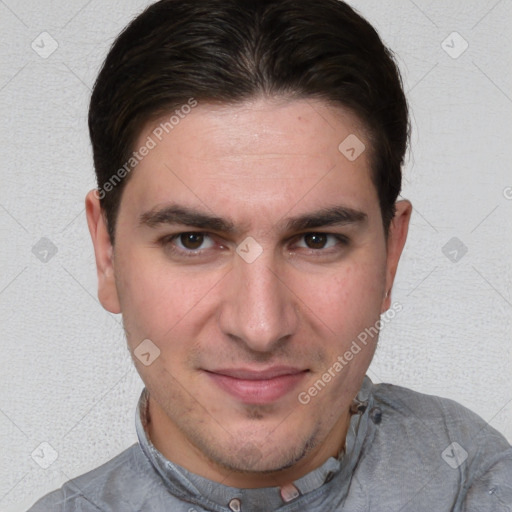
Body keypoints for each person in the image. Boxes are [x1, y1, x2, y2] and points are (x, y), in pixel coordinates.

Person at [28, 0, 512, 510]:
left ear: (391, 255)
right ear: (106, 253)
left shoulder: (480, 486)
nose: (261, 327)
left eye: (316, 239)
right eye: (192, 239)